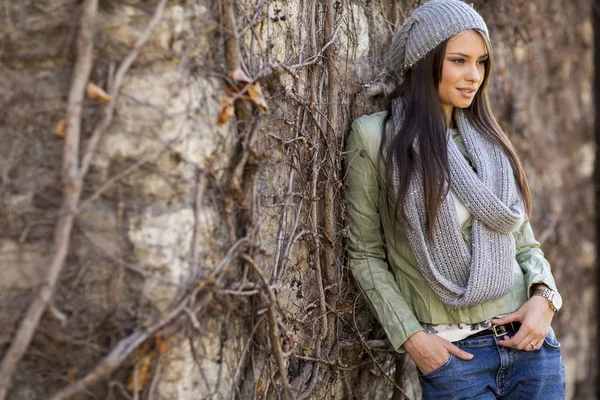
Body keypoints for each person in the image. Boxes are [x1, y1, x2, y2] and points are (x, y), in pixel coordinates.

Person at [344, 0, 566, 398]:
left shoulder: (489, 143)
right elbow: (365, 254)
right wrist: (412, 338)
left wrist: (545, 298)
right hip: (453, 358)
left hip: (530, 346)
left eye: (481, 62)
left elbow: (523, 240)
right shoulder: (376, 139)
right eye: (459, 61)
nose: (474, 76)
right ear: (425, 62)